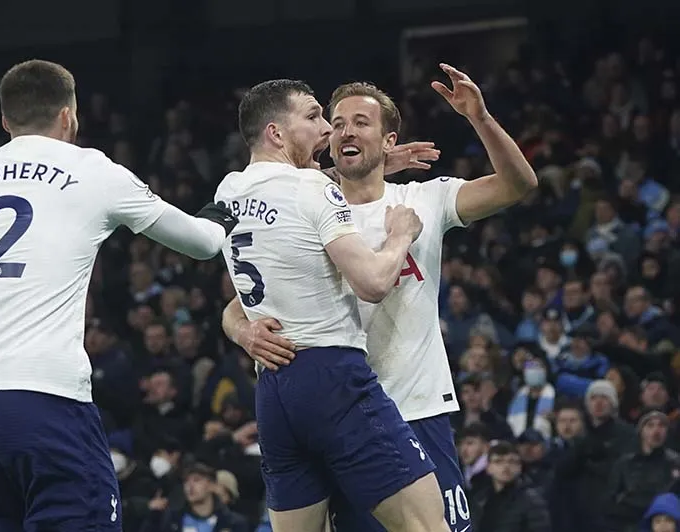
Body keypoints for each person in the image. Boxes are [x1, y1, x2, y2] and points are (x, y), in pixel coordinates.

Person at [0, 59, 238, 531]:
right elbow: (202, 243)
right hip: (41, 397)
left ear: (5, 120)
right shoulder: (93, 170)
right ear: (69, 115)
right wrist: (223, 212)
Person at [223, 65, 538, 532]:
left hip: (414, 408)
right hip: (339, 414)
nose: (344, 131)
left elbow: (519, 185)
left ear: (389, 141)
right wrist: (244, 332)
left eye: (361, 123)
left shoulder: (423, 200)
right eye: (337, 122)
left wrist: (481, 118)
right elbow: (241, 305)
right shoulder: (305, 205)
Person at [215, 78, 448, 532]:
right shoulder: (313, 189)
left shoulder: (228, 192)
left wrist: (243, 332)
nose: (327, 129)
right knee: (427, 524)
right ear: (277, 134)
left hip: (274, 390)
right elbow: (374, 283)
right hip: (334, 378)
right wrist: (401, 233)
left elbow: (241, 294)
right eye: (313, 116)